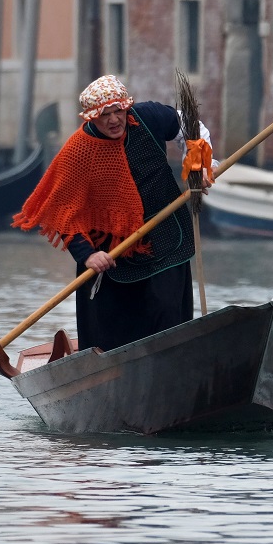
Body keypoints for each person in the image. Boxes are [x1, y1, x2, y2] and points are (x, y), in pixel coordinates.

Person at [12, 75, 216, 353]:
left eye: (117, 111)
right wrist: (87, 255)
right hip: (111, 256)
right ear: (91, 118)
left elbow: (190, 126)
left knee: (168, 317)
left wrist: (198, 165)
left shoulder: (148, 116)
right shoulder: (78, 151)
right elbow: (62, 212)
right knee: (113, 335)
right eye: (103, 115)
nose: (113, 120)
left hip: (167, 237)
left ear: (127, 107)